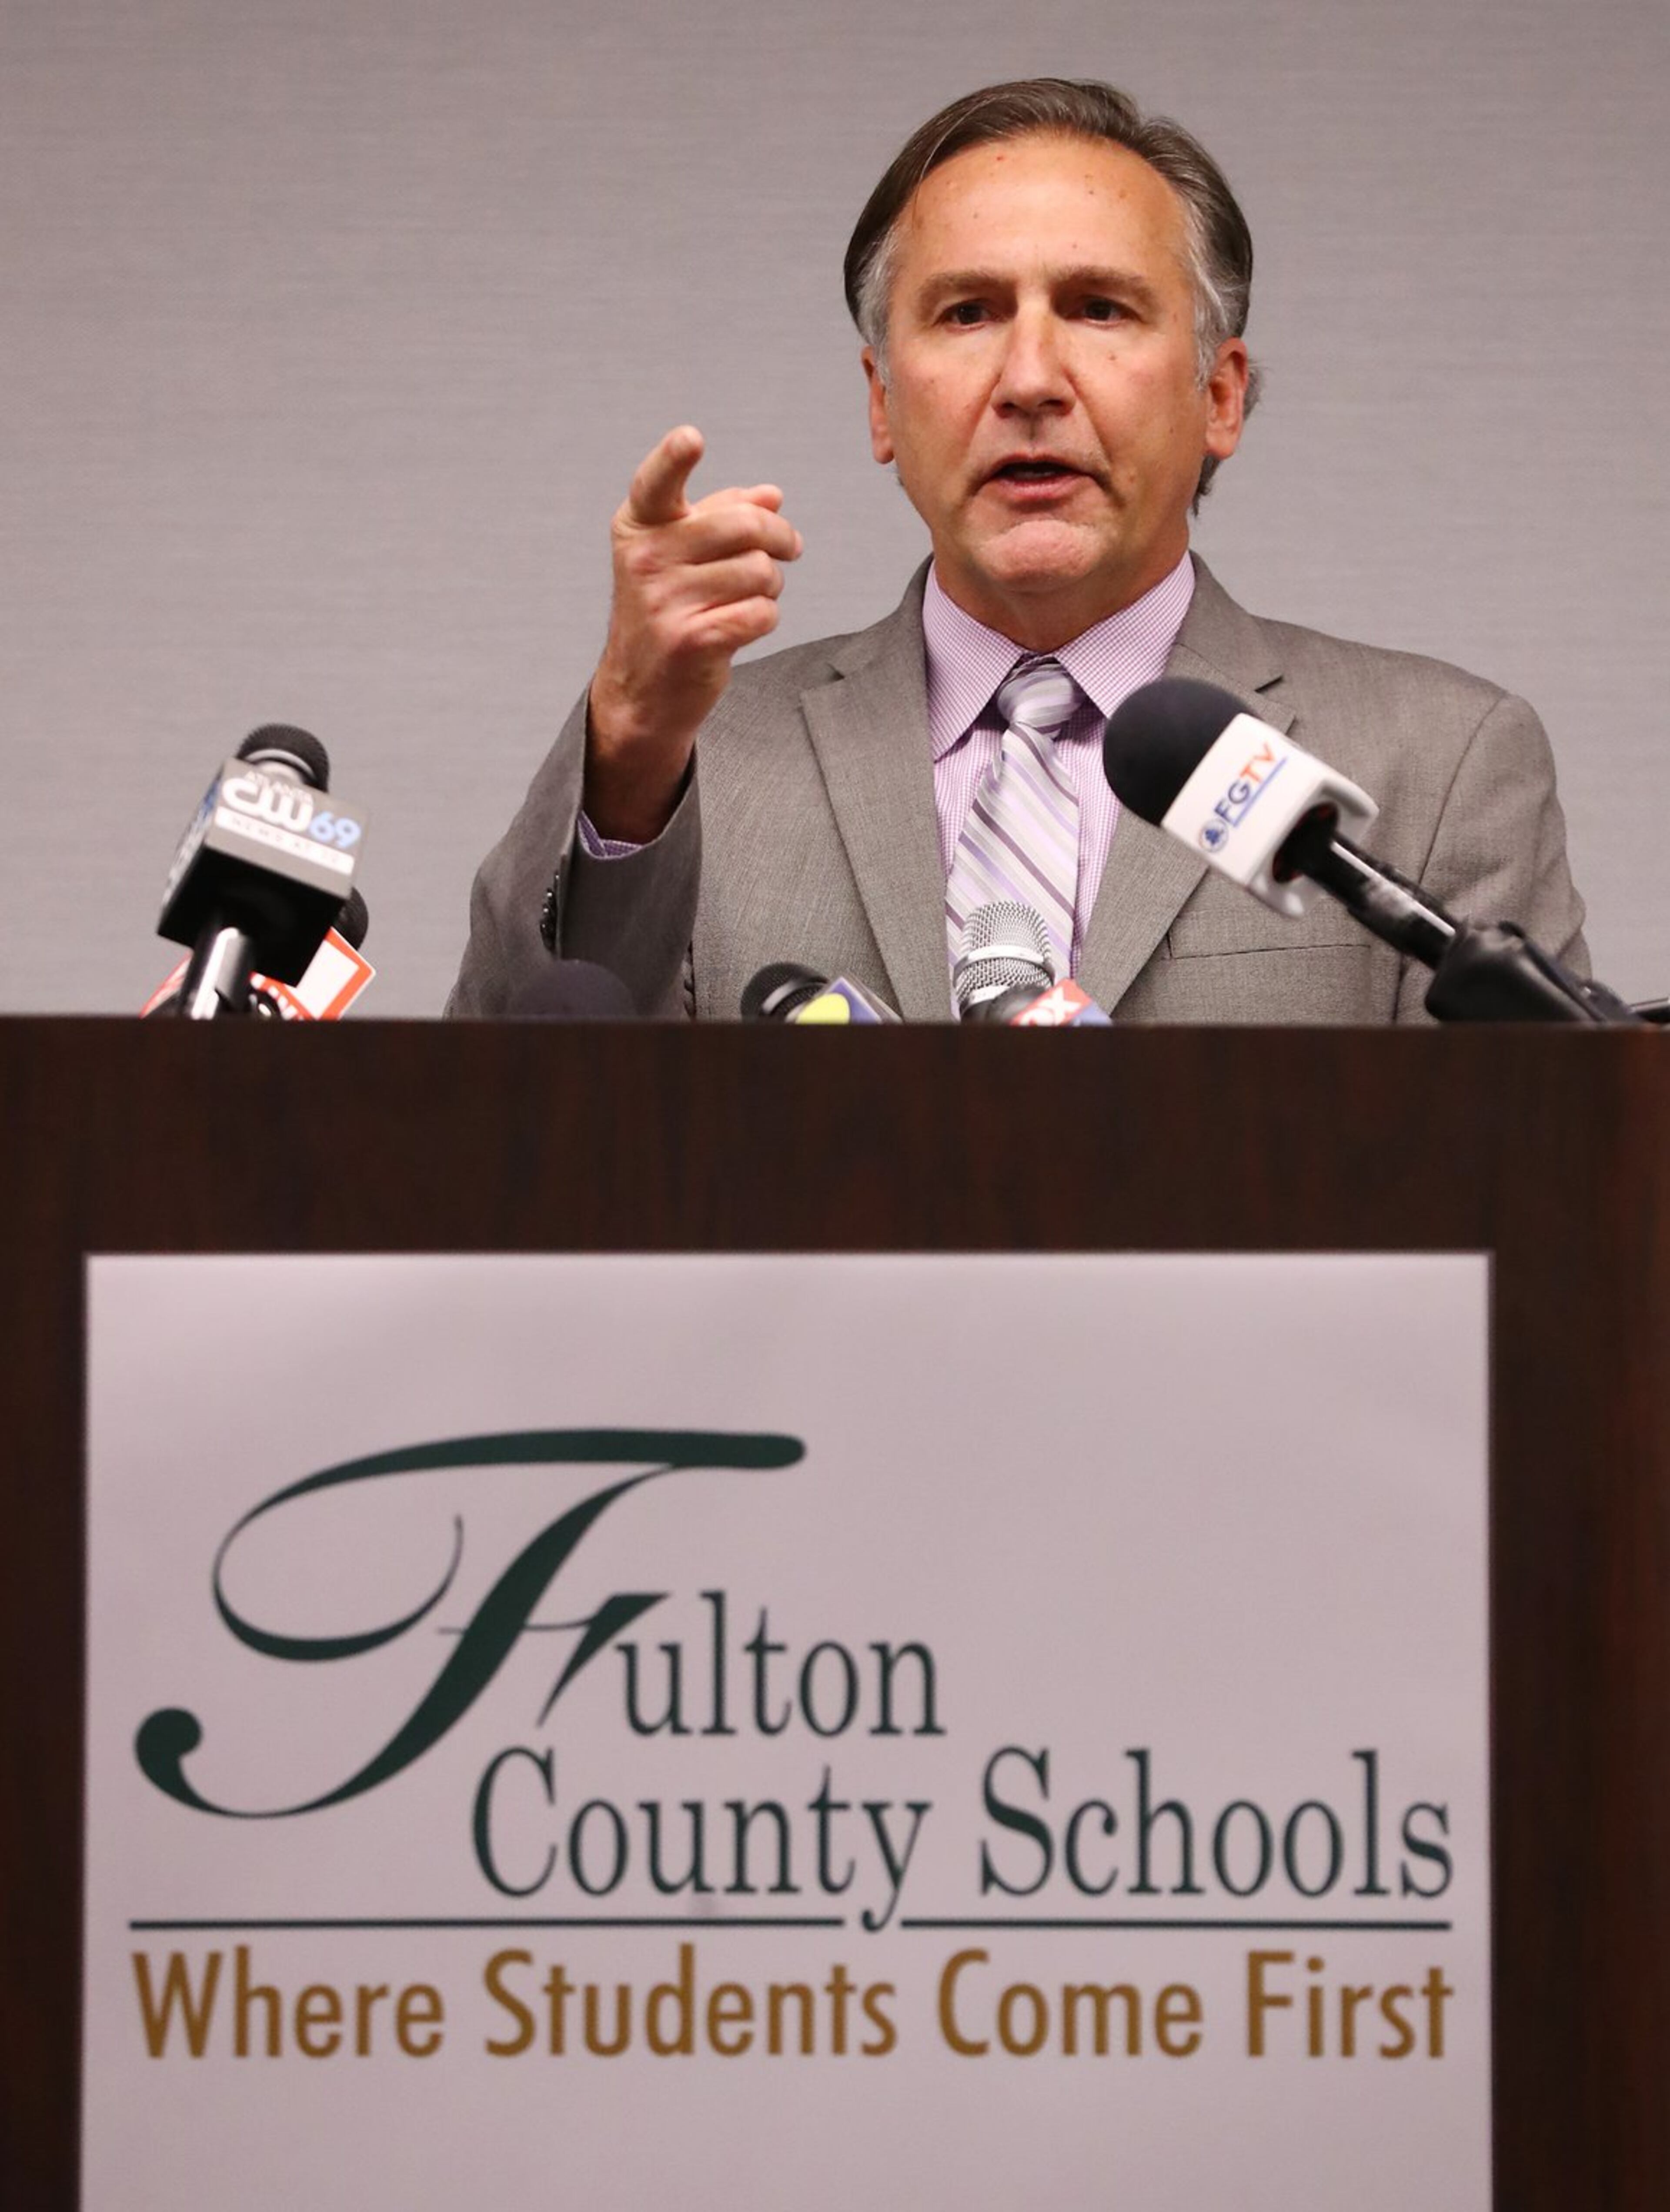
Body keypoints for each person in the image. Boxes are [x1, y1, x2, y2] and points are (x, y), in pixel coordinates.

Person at [448, 77, 1586, 1022]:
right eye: (968, 314)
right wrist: (636, 742)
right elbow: (500, 1140)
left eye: (1099, 309)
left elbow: (1547, 1198)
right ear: (883, 403)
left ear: (1221, 397)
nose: (1032, 382)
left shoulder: (1436, 765)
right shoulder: (704, 765)